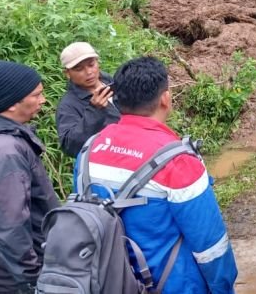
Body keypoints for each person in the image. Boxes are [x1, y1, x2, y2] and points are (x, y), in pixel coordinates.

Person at [85, 57, 237, 293]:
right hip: (172, 285)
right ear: (165, 99)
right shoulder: (179, 161)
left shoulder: (89, 149)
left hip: (108, 281)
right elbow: (210, 247)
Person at [0, 61, 60, 293]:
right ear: (13, 102)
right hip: (16, 280)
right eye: (36, 95)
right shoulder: (5, 152)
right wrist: (33, 282)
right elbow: (11, 228)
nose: (43, 100)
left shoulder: (5, 141)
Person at [55, 42, 120, 157]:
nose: (89, 72)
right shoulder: (68, 105)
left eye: (91, 65)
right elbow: (70, 146)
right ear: (67, 73)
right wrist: (94, 110)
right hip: (106, 160)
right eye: (79, 69)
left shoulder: (113, 82)